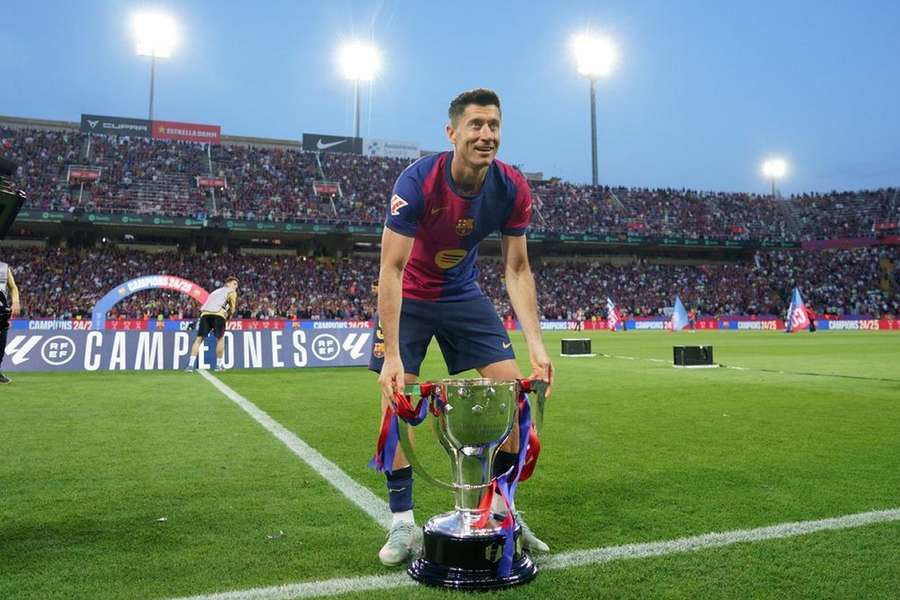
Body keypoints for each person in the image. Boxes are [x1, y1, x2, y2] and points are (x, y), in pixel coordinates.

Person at [370, 88, 554, 566]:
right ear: (452, 132)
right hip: (409, 295)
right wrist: (391, 353)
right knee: (398, 399)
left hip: (461, 294)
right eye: (476, 125)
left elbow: (516, 269)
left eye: (493, 125)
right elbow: (389, 269)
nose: (486, 134)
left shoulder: (512, 188)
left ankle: (502, 509)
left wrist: (537, 346)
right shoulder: (417, 183)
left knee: (512, 395)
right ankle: (403, 522)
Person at [186, 276, 238, 372]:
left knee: (199, 339)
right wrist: (229, 316)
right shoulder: (231, 291)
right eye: (234, 284)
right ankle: (218, 365)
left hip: (205, 314)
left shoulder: (214, 292)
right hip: (218, 314)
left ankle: (190, 365)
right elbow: (233, 307)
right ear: (228, 284)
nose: (236, 286)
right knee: (220, 339)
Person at [0, 261, 21, 384]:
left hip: (2, 312)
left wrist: (16, 302)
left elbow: (13, 287)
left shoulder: (4, 268)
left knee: (1, 346)